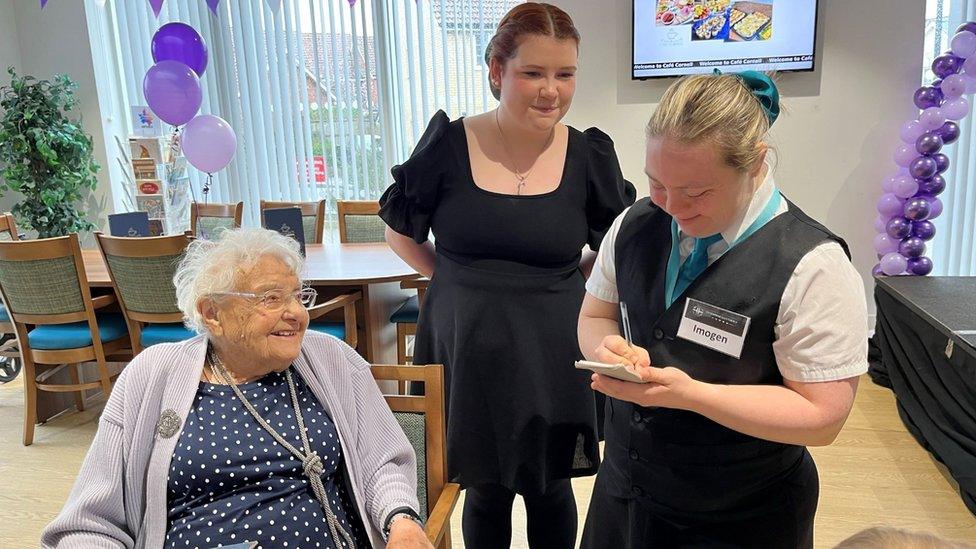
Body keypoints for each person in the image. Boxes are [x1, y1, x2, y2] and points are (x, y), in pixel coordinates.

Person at [379, 3, 635, 547]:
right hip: (466, 343)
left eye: (565, 74)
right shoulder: (448, 145)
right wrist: (452, 275)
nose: (552, 91)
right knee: (483, 488)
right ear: (496, 70)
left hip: (553, 348)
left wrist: (573, 280)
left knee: (552, 489)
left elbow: (616, 247)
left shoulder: (587, 154)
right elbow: (400, 231)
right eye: (533, 73)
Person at [577, 71, 868, 548]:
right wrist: (608, 350)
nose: (671, 206)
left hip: (740, 513)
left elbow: (822, 416)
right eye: (656, 184)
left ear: (754, 163)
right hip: (626, 492)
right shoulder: (633, 224)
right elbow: (596, 315)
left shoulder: (812, 265)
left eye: (695, 193)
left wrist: (692, 395)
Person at [42, 228, 431, 549]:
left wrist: (400, 518)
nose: (297, 313)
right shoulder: (150, 376)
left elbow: (383, 462)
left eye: (298, 295)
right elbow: (89, 524)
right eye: (271, 298)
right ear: (213, 313)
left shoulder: (333, 360)